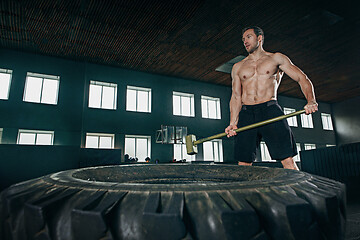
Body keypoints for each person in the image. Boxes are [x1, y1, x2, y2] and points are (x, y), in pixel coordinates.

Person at [225, 26, 318, 170]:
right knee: (243, 164)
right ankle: (247, 193)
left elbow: (302, 78)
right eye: (243, 39)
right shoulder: (238, 67)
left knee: (287, 161)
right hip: (247, 113)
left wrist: (311, 100)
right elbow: (236, 96)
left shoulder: (276, 58)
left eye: (248, 37)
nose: (245, 41)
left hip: (270, 109)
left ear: (259, 38)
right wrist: (233, 122)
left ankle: (299, 193)